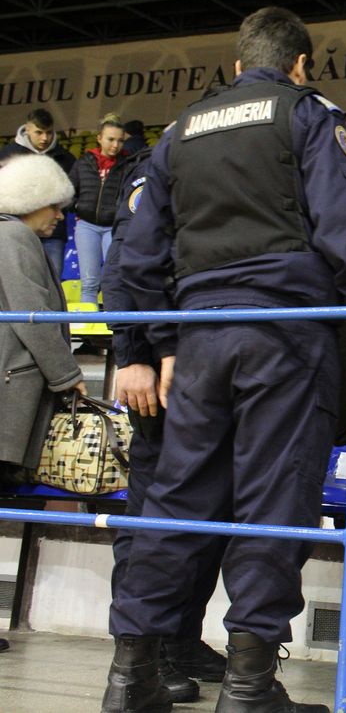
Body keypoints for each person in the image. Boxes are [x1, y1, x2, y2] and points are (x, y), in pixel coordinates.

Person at [104, 6, 346, 713]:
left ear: (237, 66)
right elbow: (341, 223)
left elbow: (136, 257)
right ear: (300, 65)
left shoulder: (180, 131)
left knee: (175, 506)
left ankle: (130, 678)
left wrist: (147, 346)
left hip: (200, 340)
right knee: (274, 501)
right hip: (286, 336)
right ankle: (247, 688)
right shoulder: (308, 114)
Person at [100, 138, 228, 703]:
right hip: (157, 369)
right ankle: (137, 652)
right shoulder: (161, 165)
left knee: (206, 519)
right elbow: (125, 270)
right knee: (153, 519)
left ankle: (177, 637)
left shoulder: (214, 165)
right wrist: (132, 356)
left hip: (207, 368)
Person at [0, 154, 86, 479]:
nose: (60, 216)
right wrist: (67, 375)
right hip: (11, 390)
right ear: (32, 199)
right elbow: (31, 315)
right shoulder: (14, 236)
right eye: (54, 206)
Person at [0, 108, 77, 277]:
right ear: (27, 129)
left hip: (54, 233)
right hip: (16, 229)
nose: (45, 138)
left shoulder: (66, 158)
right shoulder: (5, 155)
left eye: (49, 133)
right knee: (16, 278)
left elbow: (75, 193)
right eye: (39, 132)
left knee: (52, 279)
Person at [69, 118, 134, 305]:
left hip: (114, 227)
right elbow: (70, 190)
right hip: (86, 226)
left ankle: (113, 325)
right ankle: (88, 327)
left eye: (120, 141)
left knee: (113, 279)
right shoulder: (84, 162)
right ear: (99, 138)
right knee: (89, 282)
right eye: (110, 139)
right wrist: (77, 206)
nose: (115, 145)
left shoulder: (128, 164)